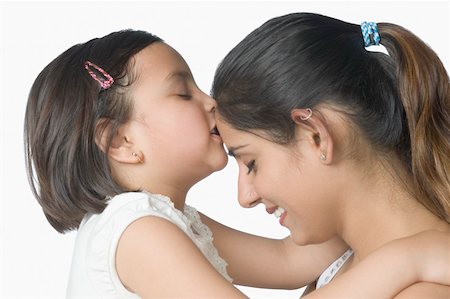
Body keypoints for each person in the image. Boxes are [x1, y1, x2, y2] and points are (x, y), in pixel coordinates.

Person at [24, 29, 449, 299]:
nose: (211, 101)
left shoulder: (173, 221)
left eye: (250, 161)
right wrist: (408, 258)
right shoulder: (137, 231)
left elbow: (288, 262)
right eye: (184, 93)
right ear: (122, 141)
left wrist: (382, 178)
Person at [211, 12, 450, 298]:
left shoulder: (423, 291)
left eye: (251, 163)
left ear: (316, 136)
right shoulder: (347, 266)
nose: (245, 197)